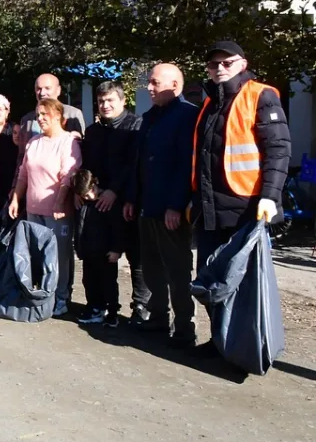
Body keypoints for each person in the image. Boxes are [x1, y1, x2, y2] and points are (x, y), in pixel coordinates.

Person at [192, 42, 290, 345]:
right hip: (210, 210)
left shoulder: (261, 95)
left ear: (242, 63)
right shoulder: (209, 104)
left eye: (227, 62)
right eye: (213, 64)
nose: (219, 68)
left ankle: (243, 348)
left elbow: (278, 150)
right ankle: (219, 343)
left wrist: (269, 197)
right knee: (211, 281)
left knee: (242, 284)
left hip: (246, 209)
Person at [124, 63, 199, 345]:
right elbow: (138, 162)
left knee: (178, 270)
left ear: (175, 86)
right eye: (150, 82)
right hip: (146, 205)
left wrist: (176, 205)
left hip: (170, 209)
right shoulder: (149, 117)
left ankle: (183, 328)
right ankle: (157, 319)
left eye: (155, 83)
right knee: (152, 267)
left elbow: (185, 165)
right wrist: (132, 197)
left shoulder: (187, 116)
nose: (149, 88)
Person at [76, 81, 149, 325]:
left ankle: (141, 308)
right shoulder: (94, 131)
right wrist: (92, 189)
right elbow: (89, 165)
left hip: (130, 200)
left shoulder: (135, 126)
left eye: (110, 101)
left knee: (137, 258)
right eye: (101, 101)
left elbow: (134, 164)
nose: (105, 105)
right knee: (103, 256)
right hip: (99, 203)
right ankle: (104, 306)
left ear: (122, 101)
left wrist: (115, 192)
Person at [9, 98, 82, 317]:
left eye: (44, 115)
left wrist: (60, 202)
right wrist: (15, 199)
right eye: (38, 115)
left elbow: (68, 175)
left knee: (59, 256)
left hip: (57, 210)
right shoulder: (34, 142)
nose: (39, 119)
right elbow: (23, 175)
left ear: (59, 117)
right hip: (33, 207)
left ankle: (61, 297)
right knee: (37, 254)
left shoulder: (69, 142)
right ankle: (42, 294)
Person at [72, 170, 125, 328]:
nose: (87, 198)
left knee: (108, 283)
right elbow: (80, 227)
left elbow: (118, 228)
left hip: (106, 253)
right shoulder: (84, 205)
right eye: (84, 196)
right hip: (89, 251)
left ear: (94, 185)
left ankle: (112, 312)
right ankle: (94, 307)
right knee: (89, 281)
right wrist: (79, 248)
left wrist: (116, 249)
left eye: (88, 194)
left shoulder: (107, 204)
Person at [17, 74, 85, 149]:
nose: (42, 93)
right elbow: (22, 154)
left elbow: (81, 148)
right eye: (38, 89)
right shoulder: (26, 120)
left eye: (47, 88)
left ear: (58, 90)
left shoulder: (73, 114)